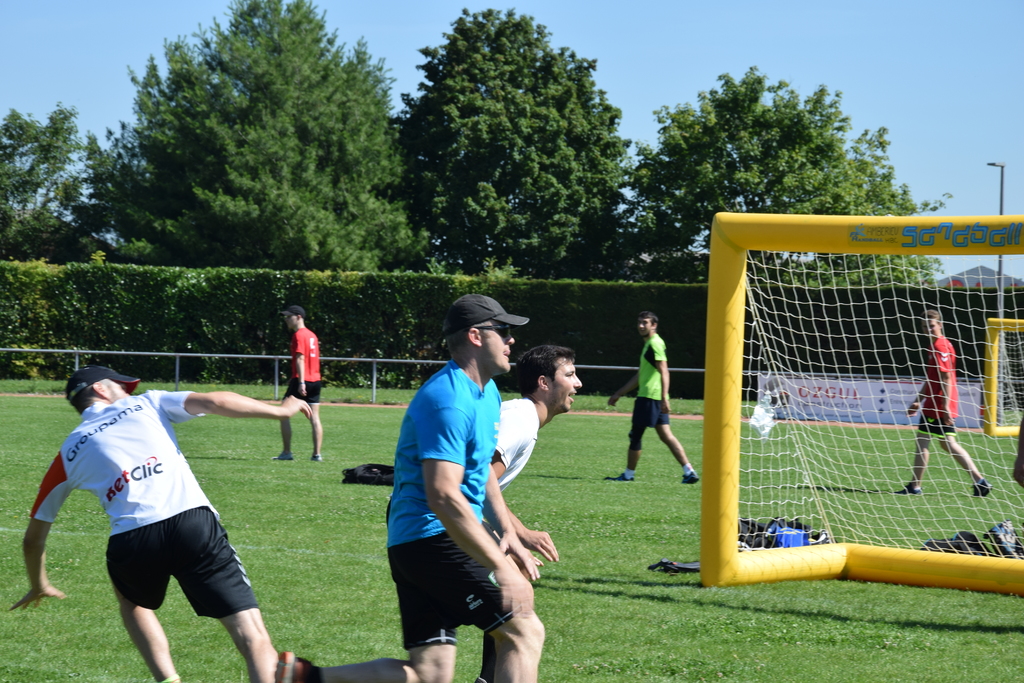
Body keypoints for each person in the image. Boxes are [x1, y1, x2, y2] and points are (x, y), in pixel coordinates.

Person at [276, 294, 545, 683]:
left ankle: (304, 677)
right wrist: (502, 568)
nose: (510, 339)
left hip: (415, 543)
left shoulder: (486, 392)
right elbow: (444, 496)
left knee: (429, 673)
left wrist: (509, 533)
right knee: (524, 631)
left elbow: (481, 471)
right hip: (434, 539)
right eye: (502, 330)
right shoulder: (448, 399)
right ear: (475, 336)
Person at [12, 365, 313, 683]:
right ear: (100, 388)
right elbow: (215, 401)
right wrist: (280, 411)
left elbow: (33, 539)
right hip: (191, 523)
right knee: (251, 635)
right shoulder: (147, 402)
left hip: (132, 539)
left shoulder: (68, 453)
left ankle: (168, 679)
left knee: (133, 604)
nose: (127, 392)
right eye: (120, 386)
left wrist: (39, 584)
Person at [476, 344, 581, 683]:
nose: (578, 383)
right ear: (544, 383)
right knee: (521, 610)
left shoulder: (521, 415)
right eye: (569, 375)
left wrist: (517, 533)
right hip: (438, 521)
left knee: (431, 664)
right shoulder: (521, 420)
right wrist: (517, 533)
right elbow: (478, 480)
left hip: (434, 515)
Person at [897, 309, 990, 496]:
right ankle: (980, 481)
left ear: (940, 325)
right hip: (936, 402)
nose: (928, 329)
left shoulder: (940, 346)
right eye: (925, 326)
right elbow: (932, 379)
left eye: (931, 325)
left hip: (938, 404)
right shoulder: (936, 345)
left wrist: (945, 406)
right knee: (947, 443)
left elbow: (946, 377)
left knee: (924, 442)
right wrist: (918, 401)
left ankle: (915, 486)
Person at [605, 311, 699, 484]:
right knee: (666, 436)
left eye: (645, 322)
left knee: (635, 435)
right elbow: (640, 376)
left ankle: (628, 475)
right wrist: (619, 393)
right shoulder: (650, 344)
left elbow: (664, 370)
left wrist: (664, 398)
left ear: (654, 325)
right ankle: (689, 471)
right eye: (639, 322)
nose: (641, 326)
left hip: (649, 397)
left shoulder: (654, 343)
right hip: (654, 397)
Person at [274, 305, 324, 462]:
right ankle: (316, 455)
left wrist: (301, 382)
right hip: (316, 380)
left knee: (283, 413)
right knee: (314, 417)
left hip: (302, 380)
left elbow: (300, 358)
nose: (287, 319)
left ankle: (286, 452)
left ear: (299, 317)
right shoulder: (312, 335)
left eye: (289, 316)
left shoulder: (299, 335)